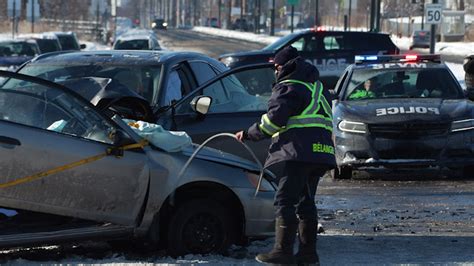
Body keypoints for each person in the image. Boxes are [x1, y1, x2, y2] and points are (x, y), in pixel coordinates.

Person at [235, 46, 336, 265]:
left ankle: (283, 251)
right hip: (321, 153)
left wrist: (249, 134)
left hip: (298, 152)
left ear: (283, 66)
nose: (275, 71)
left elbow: (273, 122)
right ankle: (308, 255)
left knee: (284, 201)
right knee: (306, 203)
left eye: (276, 67)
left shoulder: (289, 86)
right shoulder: (318, 87)